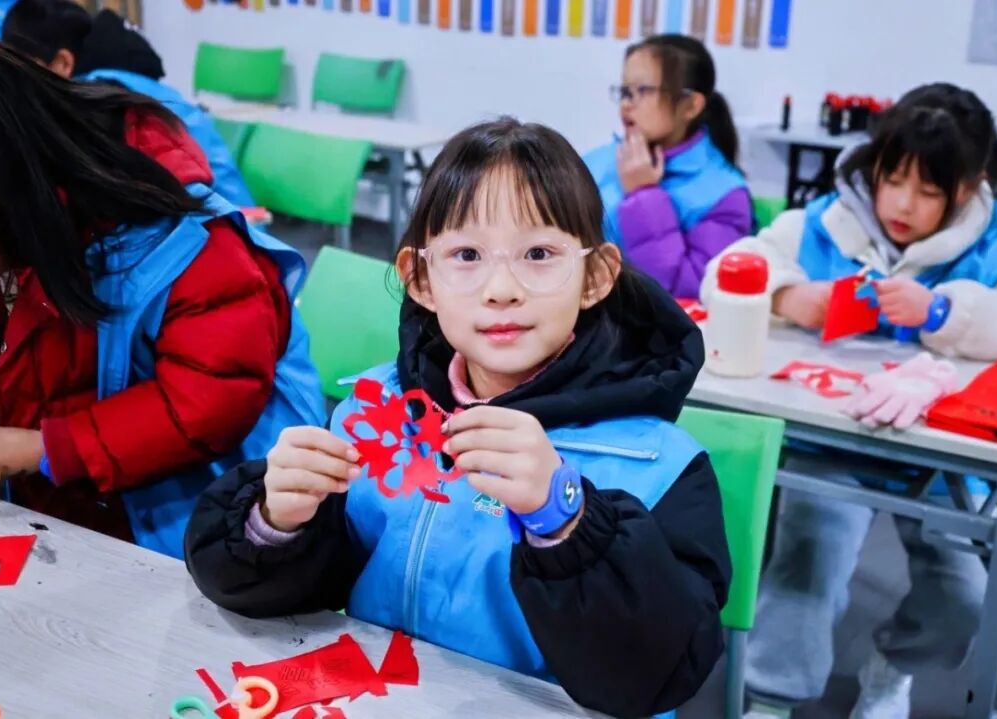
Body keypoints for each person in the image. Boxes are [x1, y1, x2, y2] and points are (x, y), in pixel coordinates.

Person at [185, 118, 732, 719]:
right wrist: (276, 522)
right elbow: (303, 589)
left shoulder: (662, 466)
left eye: (539, 254)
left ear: (595, 277)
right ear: (421, 279)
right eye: (466, 255)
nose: (501, 288)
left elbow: (659, 673)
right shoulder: (375, 410)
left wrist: (567, 520)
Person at [701, 84, 997, 718]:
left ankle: (895, 667)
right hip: (833, 446)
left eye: (928, 191)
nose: (901, 204)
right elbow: (729, 269)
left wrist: (944, 312)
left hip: (946, 464)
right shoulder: (821, 222)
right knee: (806, 564)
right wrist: (786, 294)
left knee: (965, 598)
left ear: (970, 187)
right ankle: (773, 696)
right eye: (892, 180)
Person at [0, 34, 323, 559]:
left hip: (194, 538)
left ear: (3, 192)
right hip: (65, 518)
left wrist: (36, 448)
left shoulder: (189, 245)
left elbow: (207, 403)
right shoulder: (24, 235)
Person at [2, 0, 256, 206]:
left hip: (220, 224)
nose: (11, 78)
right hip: (221, 219)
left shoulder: (102, 105)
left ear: (62, 63)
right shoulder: (121, 83)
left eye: (19, 65)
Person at [584, 34, 752, 299]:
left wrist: (643, 196)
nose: (627, 103)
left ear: (691, 105)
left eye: (643, 91)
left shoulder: (725, 195)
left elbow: (688, 290)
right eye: (625, 91)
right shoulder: (597, 160)